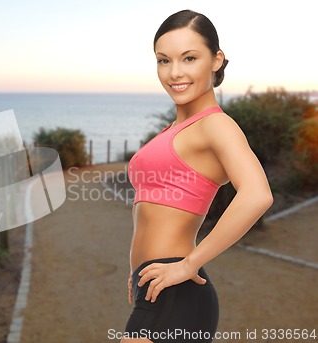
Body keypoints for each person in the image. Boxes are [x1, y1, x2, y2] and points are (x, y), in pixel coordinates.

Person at [122, 9, 273, 343]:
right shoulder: (173, 130)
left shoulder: (216, 125)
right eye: (164, 60)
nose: (175, 72)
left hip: (177, 289)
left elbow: (257, 194)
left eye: (189, 58)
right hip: (155, 285)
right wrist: (137, 270)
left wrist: (190, 263)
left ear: (216, 60)